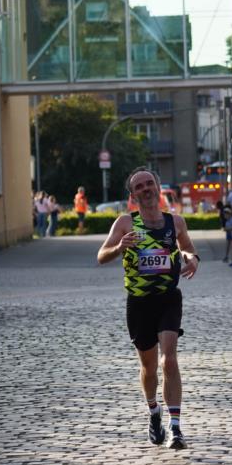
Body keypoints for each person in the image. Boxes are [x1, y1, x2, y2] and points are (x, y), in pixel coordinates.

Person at [97, 167, 199, 450]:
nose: (146, 189)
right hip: (139, 302)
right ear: (133, 195)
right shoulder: (125, 223)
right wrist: (119, 247)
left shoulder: (175, 221)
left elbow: (188, 248)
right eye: (139, 186)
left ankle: (176, 428)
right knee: (149, 366)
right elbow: (101, 256)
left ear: (157, 186)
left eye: (149, 183)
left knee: (169, 359)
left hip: (168, 297)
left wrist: (193, 259)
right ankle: (154, 412)